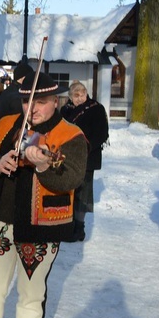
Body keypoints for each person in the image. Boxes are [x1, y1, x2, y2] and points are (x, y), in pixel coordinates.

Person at [0, 71, 88, 318]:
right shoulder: (6, 124)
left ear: (55, 102)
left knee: (31, 295)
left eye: (40, 102)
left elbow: (73, 177)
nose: (31, 109)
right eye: (26, 102)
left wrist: (44, 166)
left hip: (40, 229)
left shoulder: (71, 134)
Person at [60, 81, 109, 242]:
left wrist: (86, 148)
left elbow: (102, 133)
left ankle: (79, 228)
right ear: (70, 97)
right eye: (76, 95)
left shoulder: (96, 109)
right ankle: (67, 224)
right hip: (67, 157)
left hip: (88, 157)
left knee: (83, 192)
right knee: (68, 190)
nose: (80, 98)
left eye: (82, 94)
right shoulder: (65, 110)